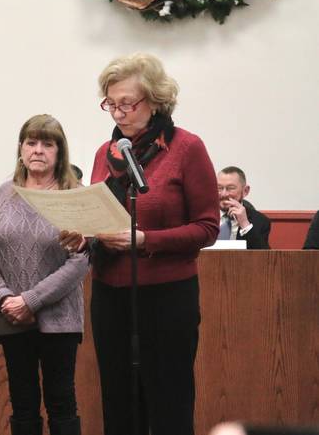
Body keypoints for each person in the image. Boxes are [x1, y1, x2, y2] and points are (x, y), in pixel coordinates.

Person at [90, 53, 219, 435]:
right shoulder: (105, 154)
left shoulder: (186, 148)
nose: (117, 113)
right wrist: (81, 235)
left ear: (155, 100)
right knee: (118, 403)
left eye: (127, 103)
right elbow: (98, 214)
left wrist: (146, 240)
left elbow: (207, 227)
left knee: (169, 404)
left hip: (167, 297)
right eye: (110, 104)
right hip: (109, 294)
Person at [0, 114, 90, 435]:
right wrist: (5, 298)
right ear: (21, 148)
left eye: (47, 144)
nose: (38, 150)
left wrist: (30, 300)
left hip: (59, 320)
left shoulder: (74, 194)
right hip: (11, 317)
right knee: (22, 405)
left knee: (61, 403)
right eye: (31, 142)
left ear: (60, 151)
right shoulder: (5, 193)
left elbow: (80, 261)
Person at [217, 166, 271, 249]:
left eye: (230, 188)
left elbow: (263, 255)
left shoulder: (260, 221)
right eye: (219, 188)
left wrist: (245, 224)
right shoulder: (201, 215)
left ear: (245, 191)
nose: (224, 194)